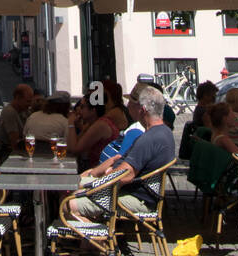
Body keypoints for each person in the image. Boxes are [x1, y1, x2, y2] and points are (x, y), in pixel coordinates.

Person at [69, 86, 175, 222]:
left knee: (69, 204)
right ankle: (91, 240)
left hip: (136, 198)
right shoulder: (165, 133)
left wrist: (94, 184)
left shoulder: (149, 138)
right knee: (72, 188)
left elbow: (124, 175)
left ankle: (99, 242)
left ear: (142, 110)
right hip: (139, 193)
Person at [66, 81, 128, 170]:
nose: (78, 109)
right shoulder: (94, 123)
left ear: (93, 110)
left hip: (100, 172)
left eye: (82, 107)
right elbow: (73, 145)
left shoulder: (101, 125)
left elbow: (74, 150)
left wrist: (71, 124)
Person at [0, 84, 33, 161]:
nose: (30, 104)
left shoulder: (24, 111)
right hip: (7, 152)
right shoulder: (10, 112)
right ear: (18, 98)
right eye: (28, 101)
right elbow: (15, 142)